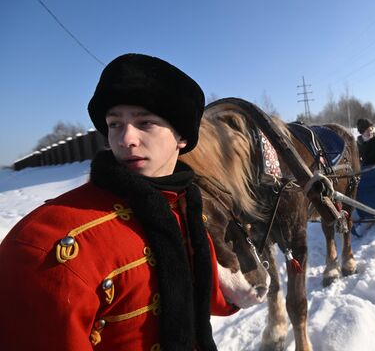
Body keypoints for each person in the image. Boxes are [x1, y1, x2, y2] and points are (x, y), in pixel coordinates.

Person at [0, 53, 238, 350]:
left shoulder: (183, 203)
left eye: (145, 122)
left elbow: (183, 285)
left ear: (181, 137)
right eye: (115, 124)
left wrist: (224, 291)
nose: (126, 139)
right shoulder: (50, 244)